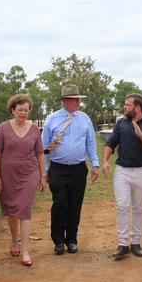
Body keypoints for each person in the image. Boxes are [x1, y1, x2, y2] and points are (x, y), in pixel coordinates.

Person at [42, 85, 100, 255]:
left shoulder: (84, 119)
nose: (78, 102)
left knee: (75, 205)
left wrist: (95, 164)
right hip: (58, 169)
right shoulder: (51, 119)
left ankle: (72, 240)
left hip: (78, 169)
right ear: (64, 101)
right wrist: (44, 170)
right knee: (60, 203)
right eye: (75, 99)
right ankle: (58, 241)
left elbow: (90, 143)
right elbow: (45, 147)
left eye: (79, 99)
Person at [102, 93, 142, 260]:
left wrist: (141, 135)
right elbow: (110, 143)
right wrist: (105, 160)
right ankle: (122, 244)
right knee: (121, 206)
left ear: (138, 108)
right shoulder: (121, 123)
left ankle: (136, 243)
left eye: (127, 105)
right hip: (122, 171)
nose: (124, 107)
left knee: (138, 208)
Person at [0, 94, 47, 267]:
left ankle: (25, 250)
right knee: (12, 210)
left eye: (26, 110)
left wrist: (43, 175)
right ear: (13, 110)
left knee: (24, 209)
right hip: (8, 174)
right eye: (20, 110)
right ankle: (14, 239)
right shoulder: (3, 128)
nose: (23, 113)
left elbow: (39, 152)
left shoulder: (35, 129)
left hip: (29, 173)